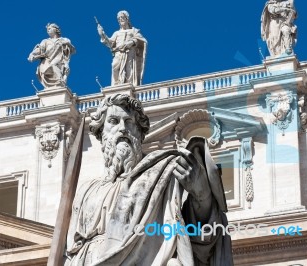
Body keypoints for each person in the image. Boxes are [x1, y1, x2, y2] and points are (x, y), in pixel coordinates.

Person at [65, 94, 233, 265]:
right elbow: (71, 249)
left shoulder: (160, 173)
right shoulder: (86, 189)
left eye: (129, 122)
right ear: (101, 132)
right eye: (114, 121)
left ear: (140, 133)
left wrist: (201, 193)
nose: (123, 129)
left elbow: (200, 239)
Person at [97, 11, 147, 86]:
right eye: (119, 18)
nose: (121, 19)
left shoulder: (133, 31)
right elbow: (110, 43)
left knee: (129, 69)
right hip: (118, 53)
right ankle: (116, 85)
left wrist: (132, 42)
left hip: (130, 52)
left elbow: (142, 40)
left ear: (127, 19)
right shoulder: (116, 33)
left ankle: (129, 86)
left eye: (122, 17)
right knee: (114, 65)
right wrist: (102, 34)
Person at [28, 23, 76, 88]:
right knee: (47, 70)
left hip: (59, 61)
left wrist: (67, 43)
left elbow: (73, 50)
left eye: (50, 28)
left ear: (55, 29)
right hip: (47, 61)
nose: (48, 30)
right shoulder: (45, 41)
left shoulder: (64, 39)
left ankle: (61, 82)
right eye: (47, 29)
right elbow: (39, 50)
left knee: (54, 67)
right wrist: (32, 55)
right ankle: (59, 83)